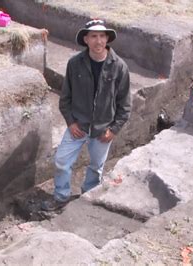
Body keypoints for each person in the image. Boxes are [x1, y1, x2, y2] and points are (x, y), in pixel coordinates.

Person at [42, 19, 131, 211]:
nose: (98, 41)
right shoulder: (75, 64)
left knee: (96, 167)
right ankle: (60, 196)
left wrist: (113, 130)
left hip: (103, 129)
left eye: (102, 36)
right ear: (86, 39)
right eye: (93, 36)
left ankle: (88, 195)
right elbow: (65, 98)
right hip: (78, 126)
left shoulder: (119, 67)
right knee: (61, 161)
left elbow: (125, 105)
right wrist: (71, 122)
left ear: (107, 39)